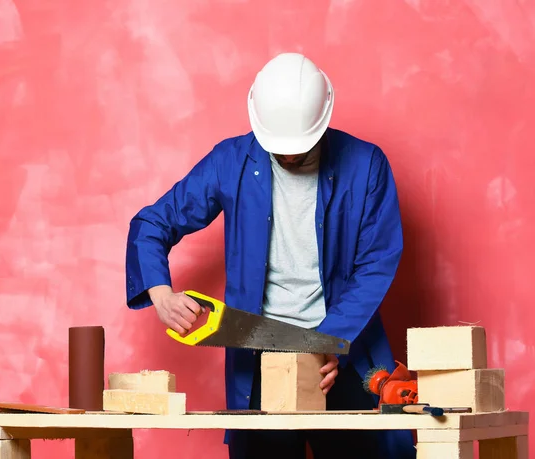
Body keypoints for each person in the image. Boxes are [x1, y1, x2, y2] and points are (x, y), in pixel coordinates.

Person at [125, 53, 416, 458]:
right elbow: (153, 223)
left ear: (323, 117)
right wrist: (160, 291)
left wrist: (330, 340)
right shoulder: (230, 161)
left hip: (343, 353)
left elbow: (377, 262)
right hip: (260, 363)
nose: (290, 157)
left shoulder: (366, 165)